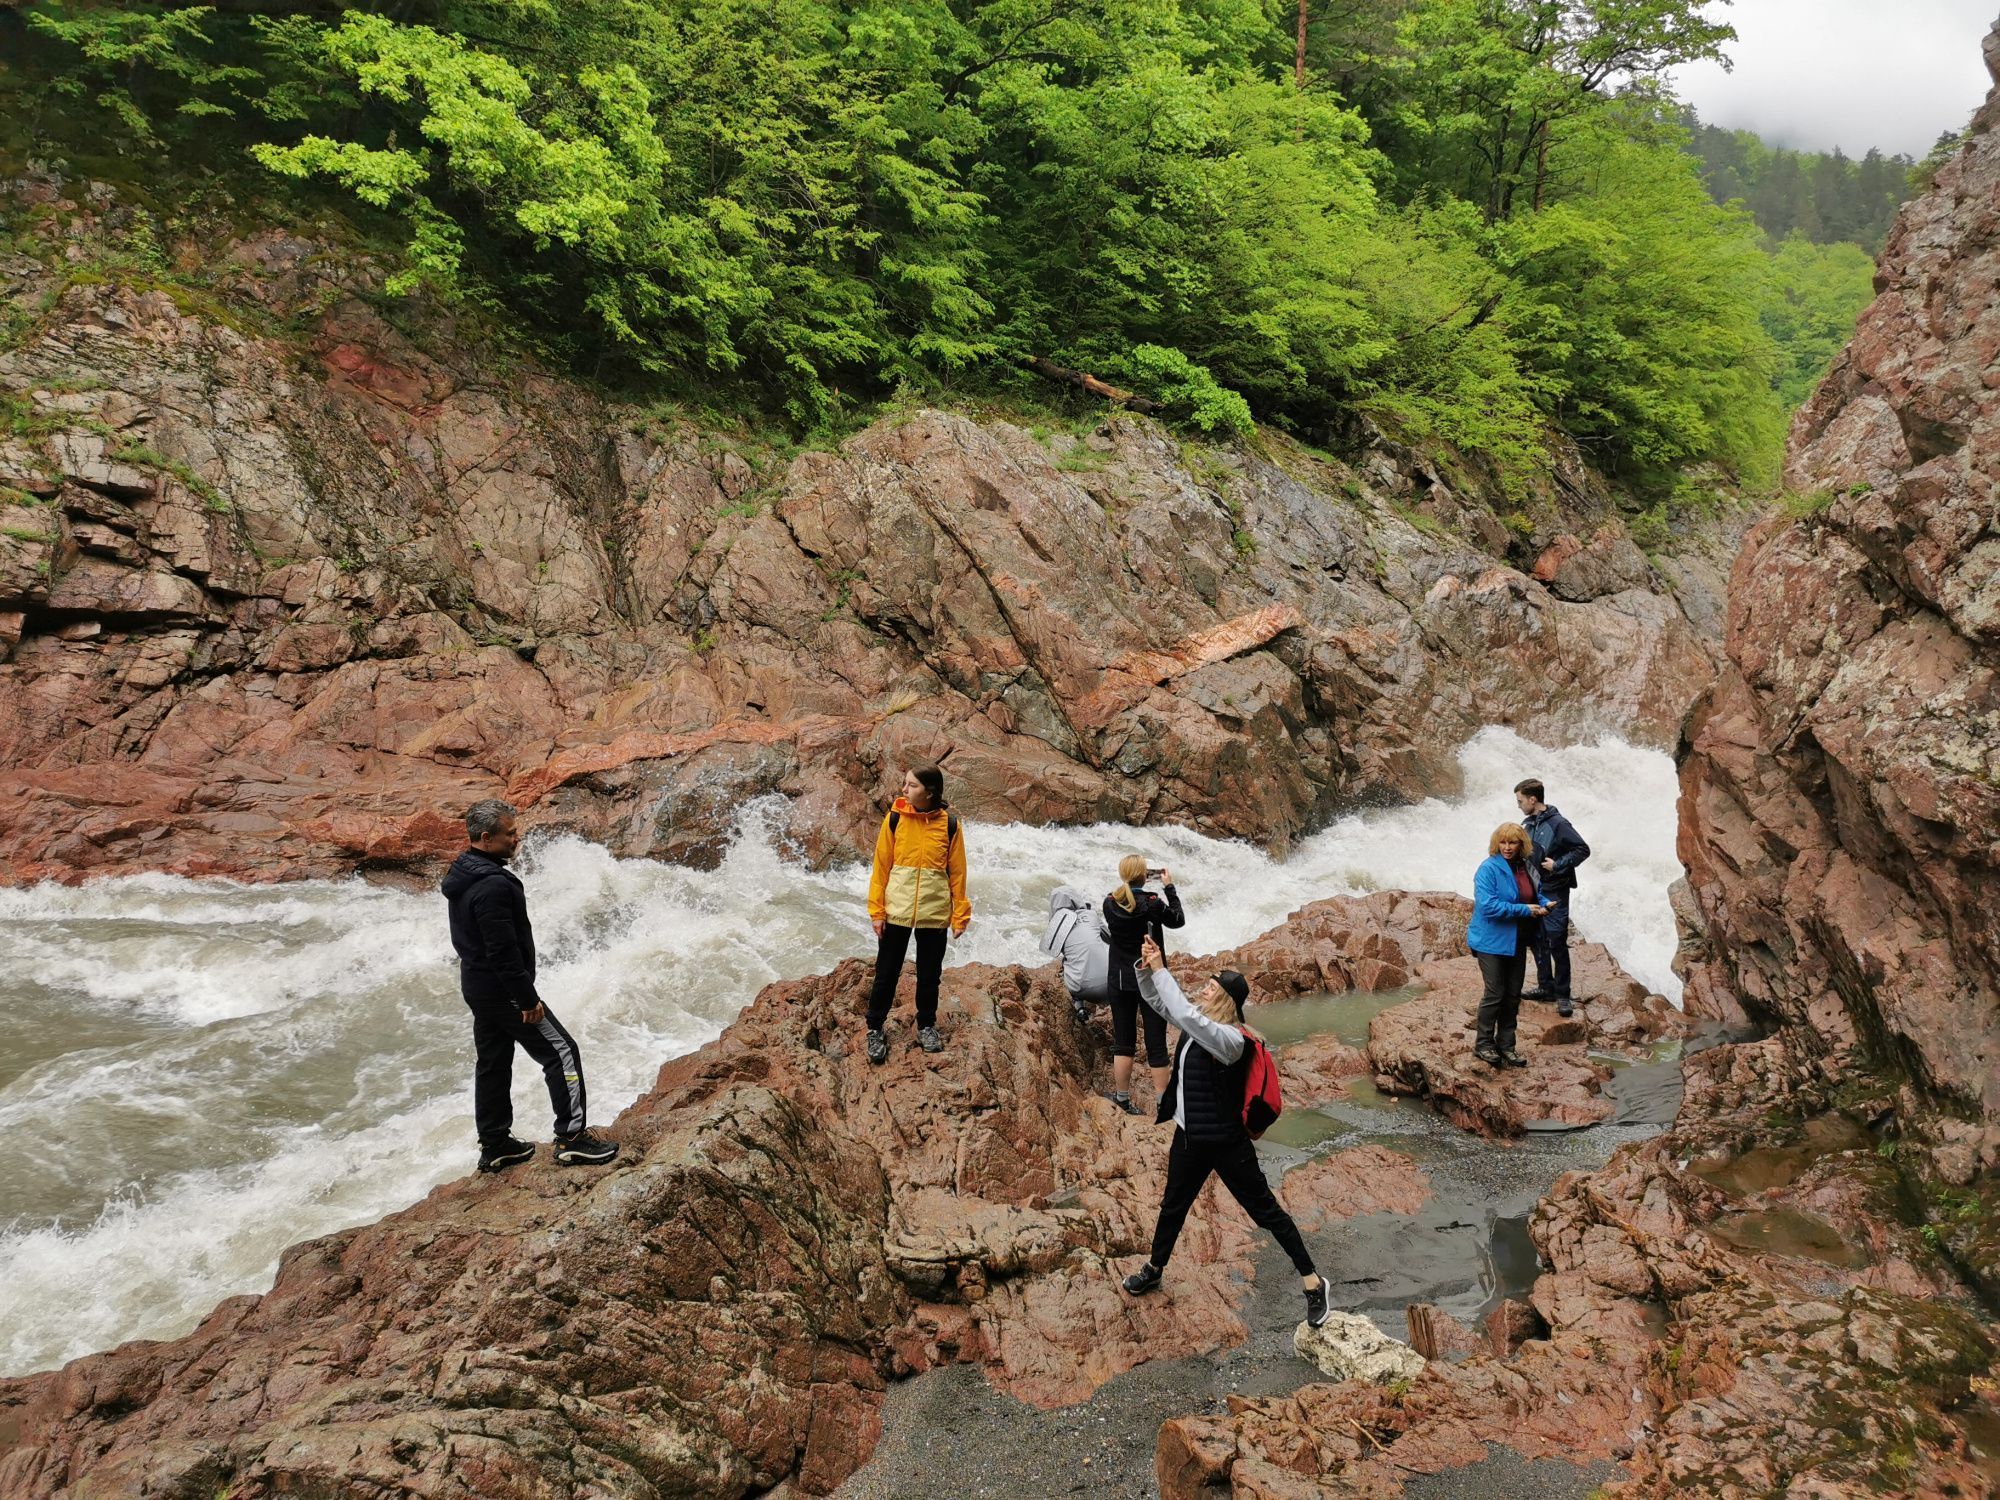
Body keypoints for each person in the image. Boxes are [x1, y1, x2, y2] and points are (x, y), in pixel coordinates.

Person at [1120, 936, 1330, 1328]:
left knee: (1266, 1212)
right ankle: (1154, 1268)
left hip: (1226, 1144)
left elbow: (1184, 1013)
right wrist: (1147, 967)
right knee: (1173, 1208)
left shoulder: (1230, 1040)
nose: (1203, 989)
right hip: (1189, 1138)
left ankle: (1313, 1283)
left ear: (1226, 1000)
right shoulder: (1200, 1021)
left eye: (1211, 987)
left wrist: (1164, 969)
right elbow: (1162, 1003)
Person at [441, 800, 619, 1173]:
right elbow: (502, 951)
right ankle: (572, 1140)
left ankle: (495, 1145)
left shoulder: (464, 872)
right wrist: (526, 998)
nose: (516, 838)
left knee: (493, 1062)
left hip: (477, 985)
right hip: (503, 989)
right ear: (486, 838)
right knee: (562, 1052)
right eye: (510, 833)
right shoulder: (491, 886)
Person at [865, 765, 971, 1063]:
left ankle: (926, 1025)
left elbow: (958, 873)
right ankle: (874, 1028)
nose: (904, 789)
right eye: (905, 783)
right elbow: (880, 867)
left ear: (930, 792)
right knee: (886, 974)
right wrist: (877, 911)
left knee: (929, 976)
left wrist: (960, 914)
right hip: (895, 911)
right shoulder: (895, 819)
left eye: (911, 785)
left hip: (934, 913)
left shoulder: (949, 825)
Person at [1100, 856, 1185, 1115]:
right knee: (1156, 1044)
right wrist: (1168, 887)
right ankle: (1163, 1105)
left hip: (1120, 980)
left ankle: (1122, 1099)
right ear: (1144, 876)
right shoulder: (1151, 903)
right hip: (1151, 979)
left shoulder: (1109, 903)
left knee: (1123, 1042)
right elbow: (1178, 919)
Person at [1468, 822, 1550, 1070]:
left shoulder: (1525, 866)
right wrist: (1524, 910)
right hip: (1490, 942)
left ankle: (1507, 1046)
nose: (1507, 847)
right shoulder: (1488, 869)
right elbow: (1488, 906)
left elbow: (1535, 894)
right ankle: (1483, 1044)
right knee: (1495, 994)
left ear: (1521, 845)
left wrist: (1545, 903)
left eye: (1512, 842)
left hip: (1517, 940)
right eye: (1503, 842)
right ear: (1496, 844)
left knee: (1513, 995)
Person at [1514, 779, 1591, 1018]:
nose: (1518, 805)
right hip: (1534, 889)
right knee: (1537, 940)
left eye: (1520, 801)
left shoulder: (1558, 823)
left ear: (1532, 799)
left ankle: (1563, 995)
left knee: (1556, 941)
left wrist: (1558, 864)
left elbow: (1582, 849)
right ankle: (1545, 987)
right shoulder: (1527, 825)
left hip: (1555, 890)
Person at [1042, 884, 1112, 1024]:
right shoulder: (1090, 915)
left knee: (1066, 960)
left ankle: (1079, 1007)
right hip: (1110, 987)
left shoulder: (1057, 928)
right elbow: (1110, 938)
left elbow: (1054, 950)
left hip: (1081, 989)